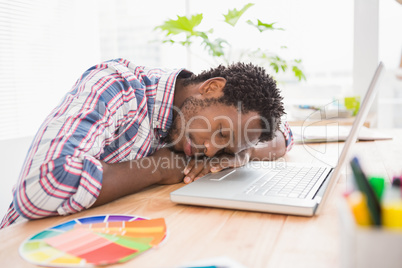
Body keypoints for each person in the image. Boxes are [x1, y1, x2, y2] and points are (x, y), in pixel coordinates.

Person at [0, 58, 293, 228]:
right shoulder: (118, 87)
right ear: (212, 88)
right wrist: (160, 168)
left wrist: (242, 154)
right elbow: (39, 187)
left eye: (225, 148)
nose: (211, 150)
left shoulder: (199, 115)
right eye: (220, 132)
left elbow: (284, 136)